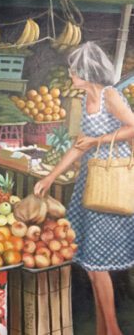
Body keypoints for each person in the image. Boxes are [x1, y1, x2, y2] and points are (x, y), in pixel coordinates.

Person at [34, 42, 134, 335]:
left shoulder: (109, 95)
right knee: (91, 266)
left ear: (87, 71)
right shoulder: (84, 101)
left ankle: (112, 329)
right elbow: (79, 145)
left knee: (98, 264)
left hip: (108, 185)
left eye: (74, 69)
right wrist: (50, 177)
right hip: (87, 186)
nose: (70, 73)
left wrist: (97, 142)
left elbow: (133, 126)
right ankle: (104, 330)